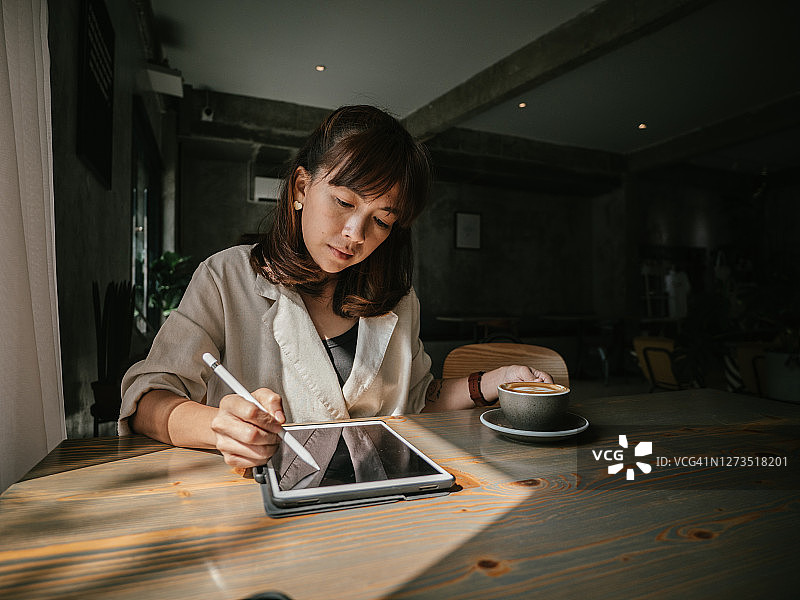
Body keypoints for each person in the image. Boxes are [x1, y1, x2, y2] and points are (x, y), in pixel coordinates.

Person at [120, 105, 552, 469]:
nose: (355, 233)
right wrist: (219, 426)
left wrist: (495, 381)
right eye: (344, 203)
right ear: (303, 187)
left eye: (381, 220)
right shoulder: (226, 277)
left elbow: (420, 399)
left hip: (381, 502)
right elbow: (149, 401)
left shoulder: (398, 301)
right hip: (261, 509)